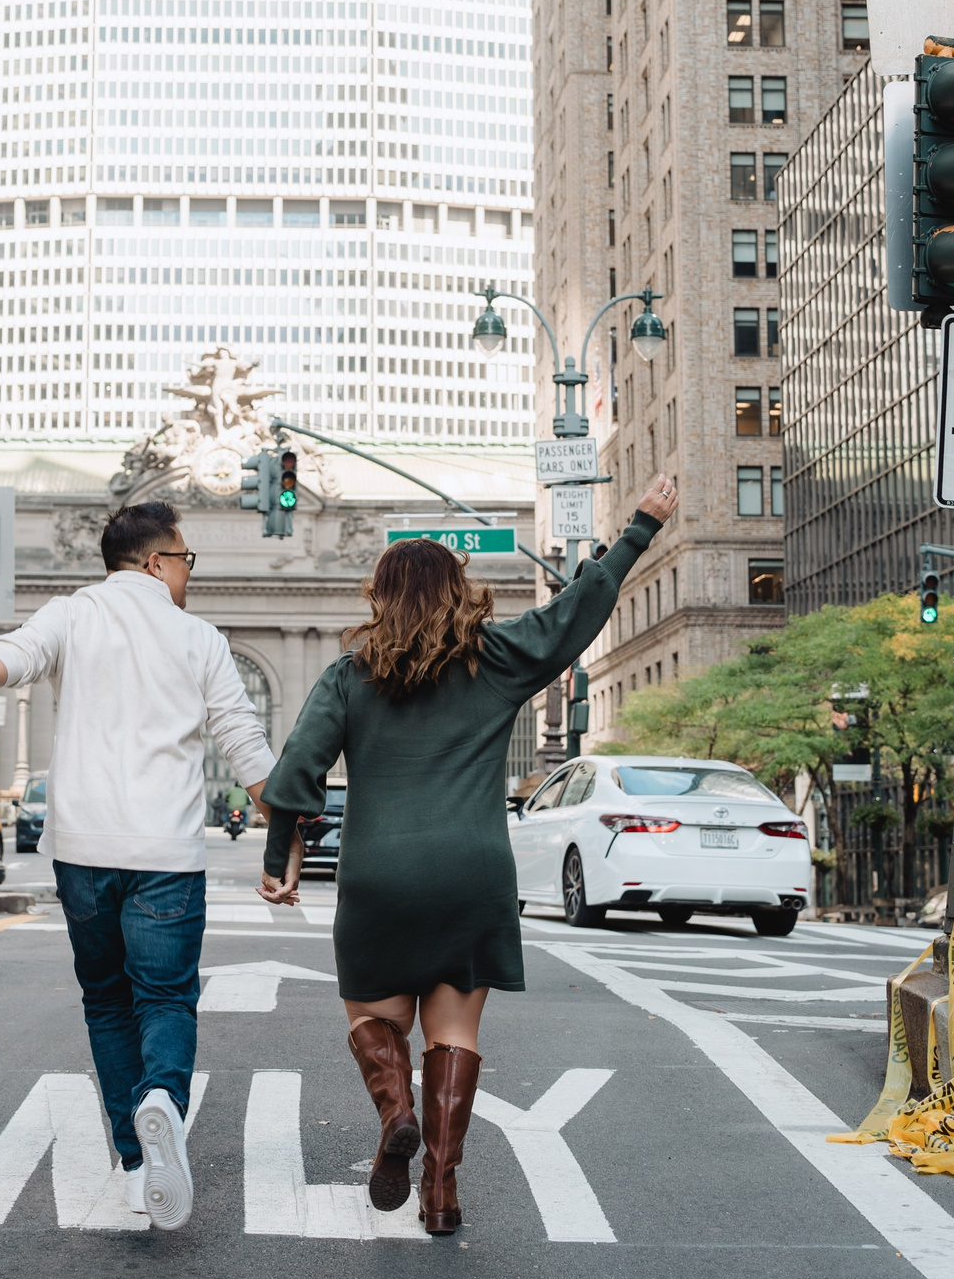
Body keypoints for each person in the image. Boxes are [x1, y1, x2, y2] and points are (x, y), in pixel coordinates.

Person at [256, 474, 679, 1235]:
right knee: (454, 1036)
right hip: (473, 875)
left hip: (381, 881)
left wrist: (280, 851)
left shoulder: (349, 678)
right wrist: (641, 527)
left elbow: (294, 776)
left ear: (379, 597)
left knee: (373, 1018)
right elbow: (577, 612)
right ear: (460, 591)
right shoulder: (499, 657)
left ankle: (395, 1115)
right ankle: (441, 1191)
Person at [0, 499, 272, 1230]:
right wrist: (284, 825)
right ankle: (163, 1095)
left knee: (106, 1002)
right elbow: (241, 737)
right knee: (164, 998)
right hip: (166, 851)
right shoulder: (201, 638)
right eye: (186, 559)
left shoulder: (71, 614)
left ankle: (135, 1164)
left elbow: (13, 655)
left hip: (83, 852)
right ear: (157, 561)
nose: (189, 572)